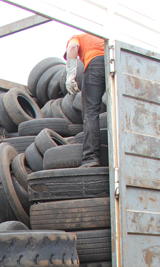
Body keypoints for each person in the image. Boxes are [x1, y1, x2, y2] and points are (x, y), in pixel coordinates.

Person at [64, 33, 105, 168]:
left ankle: (90, 157)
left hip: (95, 64)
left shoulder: (76, 37)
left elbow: (73, 48)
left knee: (90, 112)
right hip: (116, 61)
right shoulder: (101, 37)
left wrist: (70, 75)